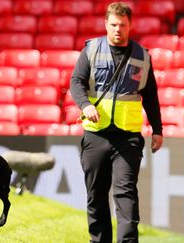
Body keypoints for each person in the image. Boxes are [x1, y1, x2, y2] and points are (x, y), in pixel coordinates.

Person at [70, 2, 163, 243]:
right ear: (105, 24)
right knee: (96, 196)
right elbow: (76, 82)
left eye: (122, 25)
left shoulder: (142, 56)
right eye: (113, 25)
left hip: (128, 138)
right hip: (96, 135)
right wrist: (85, 105)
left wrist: (157, 129)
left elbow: (150, 95)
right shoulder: (91, 50)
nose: (118, 29)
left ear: (131, 26)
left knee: (126, 194)